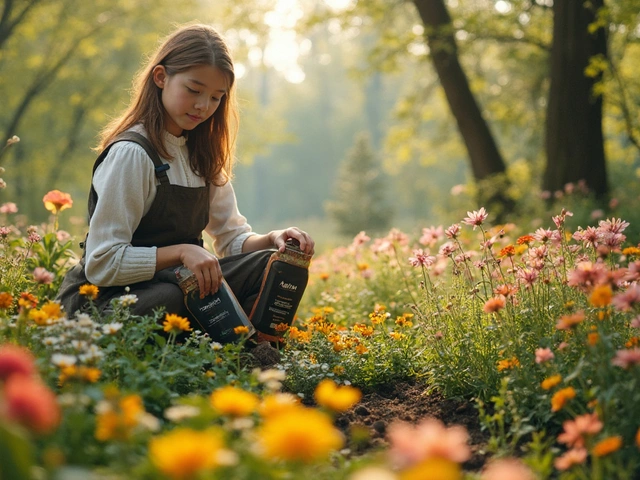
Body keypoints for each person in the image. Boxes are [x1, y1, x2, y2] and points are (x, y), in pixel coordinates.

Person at [57, 23, 314, 336]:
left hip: (180, 288)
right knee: (173, 297)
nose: (203, 106)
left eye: (216, 97)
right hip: (108, 301)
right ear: (161, 77)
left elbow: (232, 239)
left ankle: (255, 349)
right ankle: (220, 346)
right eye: (194, 90)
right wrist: (181, 252)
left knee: (271, 265)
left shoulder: (202, 156)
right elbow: (102, 263)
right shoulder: (132, 154)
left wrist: (273, 239)